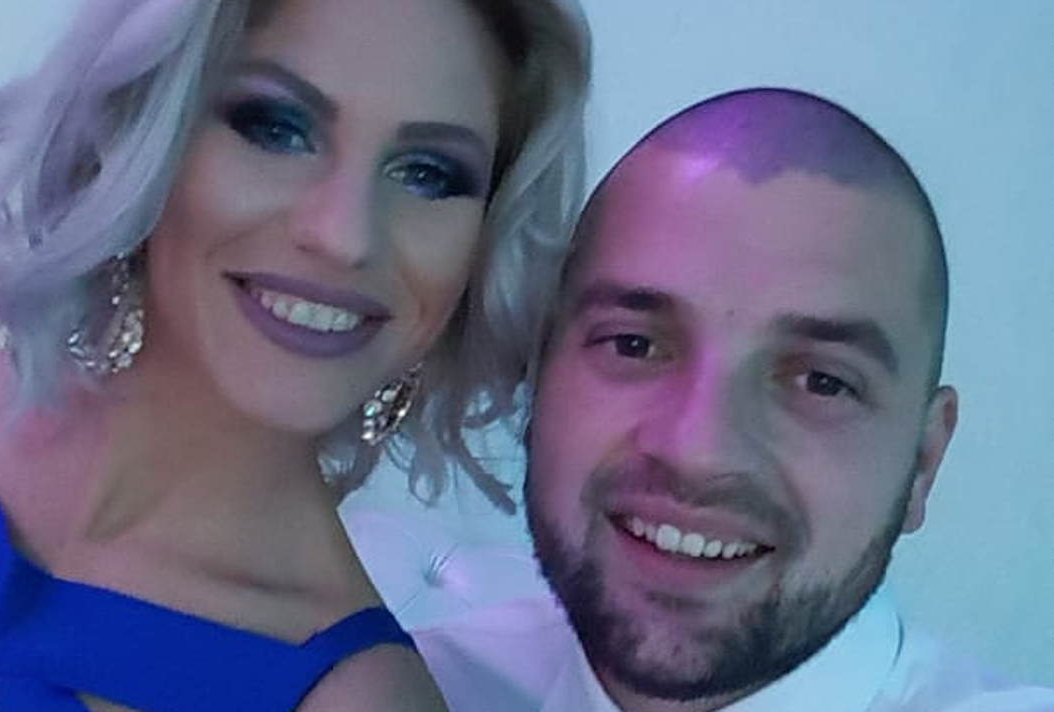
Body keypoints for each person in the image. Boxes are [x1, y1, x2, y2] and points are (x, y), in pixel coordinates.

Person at [0, 0, 590, 708]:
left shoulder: (366, 700)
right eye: (277, 127)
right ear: (145, 127)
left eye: (427, 174)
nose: (346, 236)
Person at [416, 88, 1054, 712]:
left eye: (822, 381)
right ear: (539, 373)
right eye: (634, 345)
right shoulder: (415, 687)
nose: (698, 451)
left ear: (923, 463)